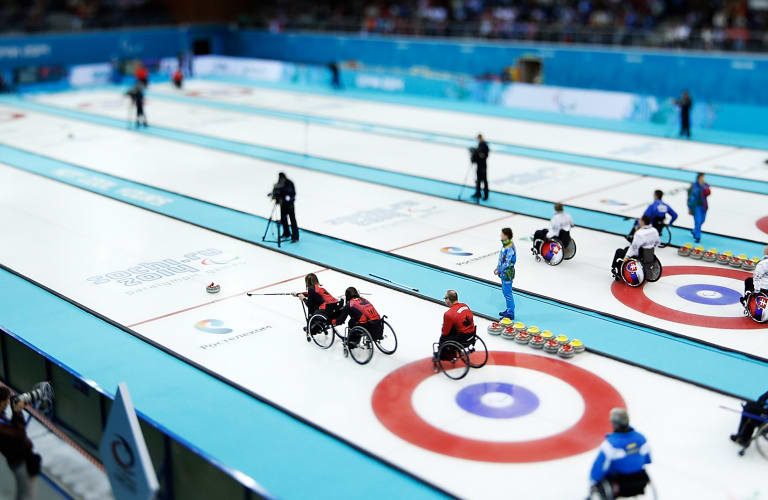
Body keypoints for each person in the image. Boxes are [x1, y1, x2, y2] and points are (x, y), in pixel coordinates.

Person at [589, 408, 652, 499]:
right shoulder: (641, 439)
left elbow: (598, 468)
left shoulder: (610, 444)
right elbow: (647, 459)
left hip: (618, 484)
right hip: (639, 481)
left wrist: (593, 481)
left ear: (614, 424)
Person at [0, 387, 39, 500]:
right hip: (18, 460)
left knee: (25, 493)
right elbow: (19, 435)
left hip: (19, 458)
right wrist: (17, 412)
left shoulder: (1, 416)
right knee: (26, 495)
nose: (7, 404)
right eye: (6, 402)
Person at [437, 290, 476, 359]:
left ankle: (445, 356)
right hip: (472, 333)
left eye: (445, 298)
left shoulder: (448, 314)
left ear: (448, 300)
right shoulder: (465, 306)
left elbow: (445, 332)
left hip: (463, 337)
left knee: (443, 338)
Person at [494, 227, 516, 320]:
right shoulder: (505, 245)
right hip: (504, 272)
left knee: (507, 293)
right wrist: (497, 267)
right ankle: (509, 309)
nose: (500, 236)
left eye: (502, 234)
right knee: (505, 291)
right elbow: (501, 259)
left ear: (506, 236)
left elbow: (507, 262)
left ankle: (511, 313)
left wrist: (499, 270)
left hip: (507, 272)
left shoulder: (509, 246)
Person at [271, 172, 299, 243]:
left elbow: (293, 193)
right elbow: (277, 192)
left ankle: (295, 237)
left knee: (292, 220)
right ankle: (286, 233)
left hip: (290, 205)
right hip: (282, 204)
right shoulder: (278, 183)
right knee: (283, 219)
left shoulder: (289, 183)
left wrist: (290, 198)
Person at [687, 173, 710, 243]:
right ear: (698, 178)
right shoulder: (693, 186)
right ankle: (698, 237)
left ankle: (694, 231)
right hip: (696, 207)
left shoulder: (705, 185)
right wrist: (690, 207)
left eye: (703, 178)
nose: (702, 179)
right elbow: (689, 197)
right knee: (698, 221)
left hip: (703, 206)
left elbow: (708, 193)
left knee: (702, 220)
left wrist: (704, 186)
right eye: (701, 178)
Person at [471, 134, 490, 201]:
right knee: (478, 180)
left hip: (483, 166)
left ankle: (486, 195)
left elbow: (484, 156)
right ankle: (478, 193)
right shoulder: (479, 145)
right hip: (479, 165)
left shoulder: (485, 145)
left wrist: (479, 154)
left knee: (484, 180)